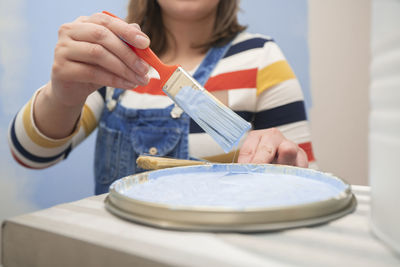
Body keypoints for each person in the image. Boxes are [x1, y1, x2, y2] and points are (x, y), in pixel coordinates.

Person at [8, 0, 315, 194]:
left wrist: (288, 163)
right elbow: (30, 155)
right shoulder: (115, 65)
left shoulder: (261, 57)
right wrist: (61, 96)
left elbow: (307, 187)